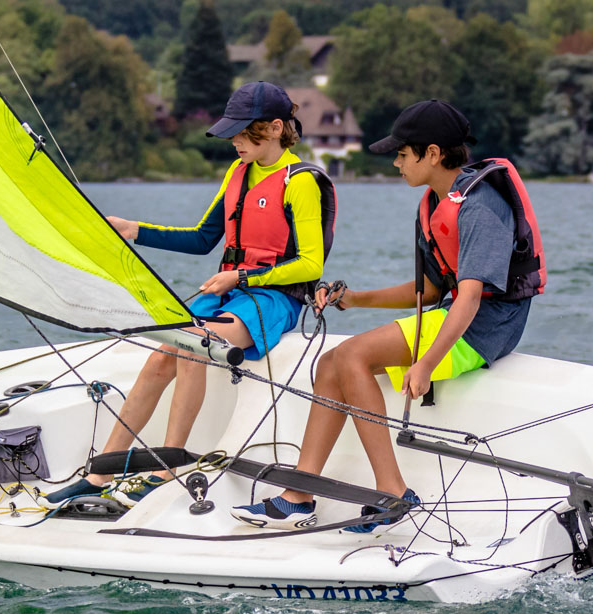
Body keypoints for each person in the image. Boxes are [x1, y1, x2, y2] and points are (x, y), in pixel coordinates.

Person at [232, 99, 545, 531]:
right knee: (330, 364)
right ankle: (300, 495)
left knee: (352, 357)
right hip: (461, 315)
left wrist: (427, 363)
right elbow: (431, 289)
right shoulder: (434, 203)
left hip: (487, 327)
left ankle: (394, 494)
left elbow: (471, 297)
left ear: (432, 154)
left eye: (401, 154)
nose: (396, 163)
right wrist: (355, 298)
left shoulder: (479, 205)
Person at [46, 81, 335, 508]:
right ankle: (100, 473)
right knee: (160, 357)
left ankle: (168, 469)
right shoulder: (238, 173)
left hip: (274, 299)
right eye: (232, 133)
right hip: (231, 291)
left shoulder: (301, 182)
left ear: (276, 128)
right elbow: (202, 239)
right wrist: (134, 230)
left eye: (244, 133)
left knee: (193, 344)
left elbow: (312, 265)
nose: (235, 141)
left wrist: (241, 278)